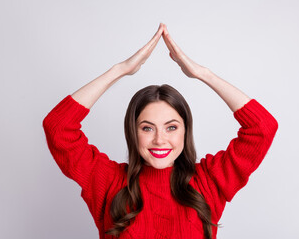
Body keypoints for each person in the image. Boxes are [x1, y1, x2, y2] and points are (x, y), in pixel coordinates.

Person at [42, 23, 278, 239]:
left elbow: (262, 128)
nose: (159, 140)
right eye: (147, 128)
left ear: (186, 131)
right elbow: (58, 126)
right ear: (132, 131)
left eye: (171, 127)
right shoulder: (108, 182)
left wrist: (202, 73)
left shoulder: (208, 181)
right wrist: (120, 70)